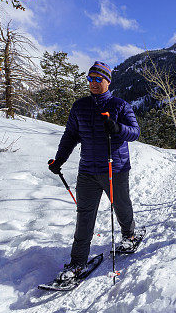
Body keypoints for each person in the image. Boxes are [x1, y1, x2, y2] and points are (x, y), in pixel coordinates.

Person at [48, 61, 141, 277]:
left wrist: (117, 128)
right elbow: (70, 135)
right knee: (84, 216)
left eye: (98, 79)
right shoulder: (80, 107)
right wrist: (59, 160)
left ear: (108, 81)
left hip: (115, 169)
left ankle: (129, 235)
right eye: (90, 79)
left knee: (121, 205)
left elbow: (135, 132)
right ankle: (77, 262)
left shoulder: (120, 105)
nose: (93, 83)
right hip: (87, 171)